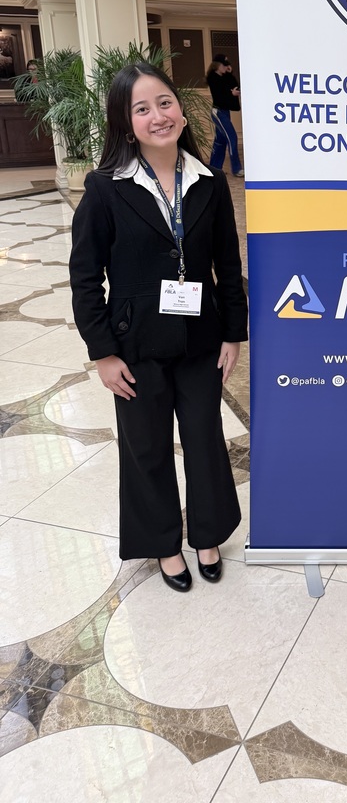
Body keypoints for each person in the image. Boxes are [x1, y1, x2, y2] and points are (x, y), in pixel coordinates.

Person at [69, 62, 247, 592]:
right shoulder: (105, 188)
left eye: (165, 103)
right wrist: (103, 352)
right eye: (141, 109)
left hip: (200, 338)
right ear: (126, 125)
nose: (158, 116)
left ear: (182, 111)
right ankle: (164, 545)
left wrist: (233, 333)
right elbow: (85, 276)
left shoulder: (209, 182)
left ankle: (208, 535)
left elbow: (227, 265)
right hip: (134, 344)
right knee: (145, 447)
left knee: (205, 438)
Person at [206, 54, 244, 176]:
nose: (225, 67)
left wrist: (229, 73)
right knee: (232, 137)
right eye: (224, 65)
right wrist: (231, 94)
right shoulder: (212, 77)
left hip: (224, 111)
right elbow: (219, 95)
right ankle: (236, 169)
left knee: (220, 141)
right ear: (217, 65)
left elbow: (234, 84)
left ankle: (214, 169)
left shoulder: (224, 77)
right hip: (218, 112)